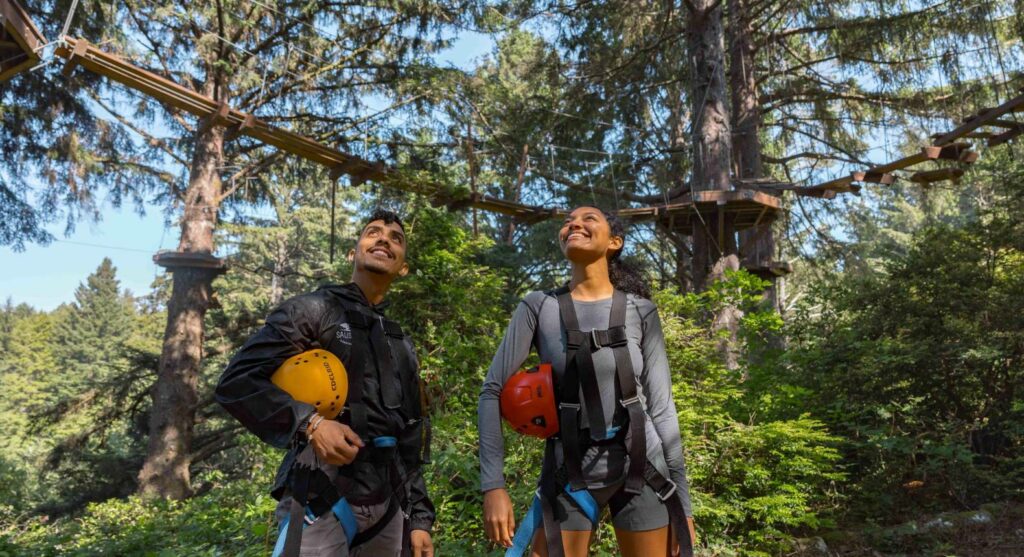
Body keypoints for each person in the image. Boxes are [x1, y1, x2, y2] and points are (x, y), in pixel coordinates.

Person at [478, 206, 697, 557]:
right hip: (569, 474)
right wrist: (493, 486)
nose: (574, 224)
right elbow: (491, 391)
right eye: (568, 221)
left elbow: (662, 409)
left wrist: (683, 507)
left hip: (644, 470)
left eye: (588, 219)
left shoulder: (641, 311)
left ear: (614, 241)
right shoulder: (539, 306)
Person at [216, 209, 435, 557]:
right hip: (320, 495)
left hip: (390, 506)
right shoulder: (314, 310)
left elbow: (409, 434)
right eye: (373, 232)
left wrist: (420, 519)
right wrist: (312, 424)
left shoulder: (401, 342)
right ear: (353, 252)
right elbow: (237, 382)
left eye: (396, 238)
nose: (384, 239)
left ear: (403, 266)